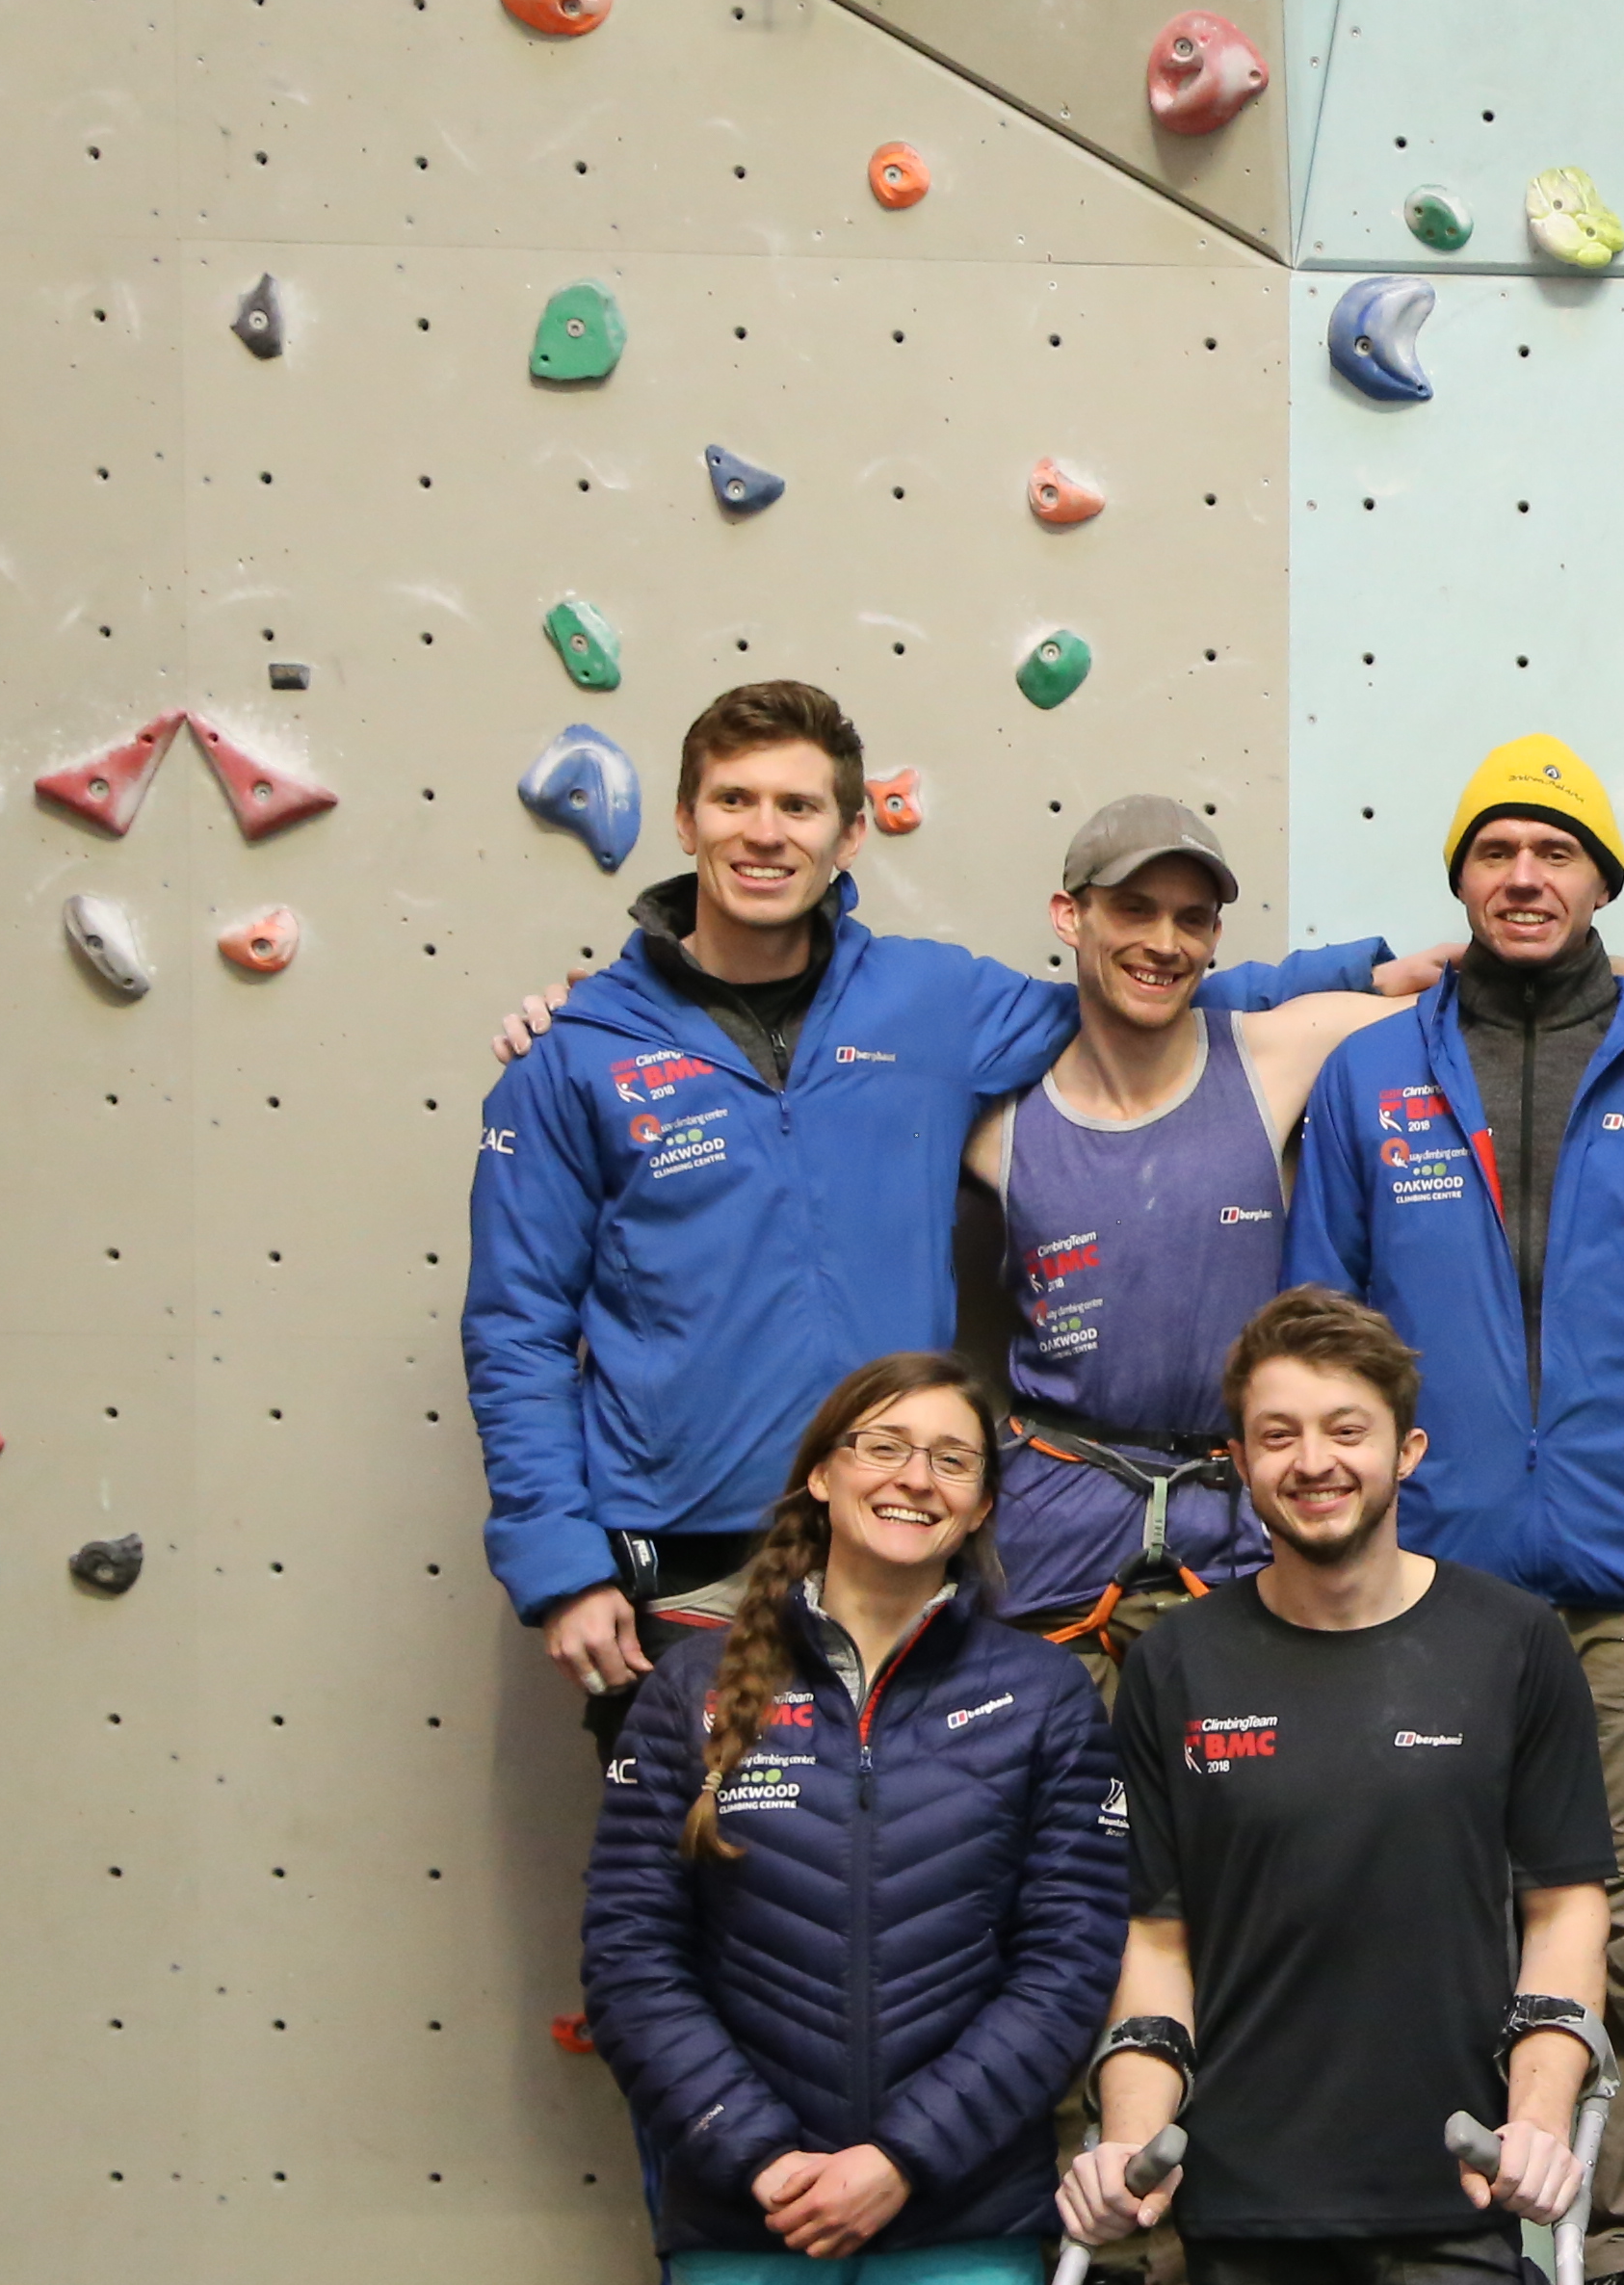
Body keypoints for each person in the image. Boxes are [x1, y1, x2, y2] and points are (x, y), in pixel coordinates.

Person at [469, 682, 1404, 1731]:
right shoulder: (579, 1054)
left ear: (851, 833)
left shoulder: (929, 1003)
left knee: (911, 1869)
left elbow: (1134, 994)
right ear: (685, 821)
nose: (765, 833)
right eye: (735, 801)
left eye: (800, 807)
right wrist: (560, 1565)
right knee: (687, 1874)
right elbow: (518, 1330)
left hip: (900, 1537)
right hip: (689, 1559)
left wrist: (1353, 971)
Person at [1286, 735, 1624, 2285]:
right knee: (1427, 1936)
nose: (1522, 874)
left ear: (1600, 884)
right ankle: (1447, 2262)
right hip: (1422, 1591)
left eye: (1553, 850)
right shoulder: (1371, 1076)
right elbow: (1316, 1339)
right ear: (1460, 877)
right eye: (1491, 847)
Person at [1058, 1290, 1621, 2285]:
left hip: (1450, 2172)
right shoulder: (1177, 1663)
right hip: (1257, 2196)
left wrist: (1538, 2115)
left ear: (1407, 1450)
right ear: (1239, 1464)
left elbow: (1567, 1908)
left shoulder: (1511, 1643)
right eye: (1279, 1434)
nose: (1316, 1460)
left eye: (1347, 1430)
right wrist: (1128, 2142)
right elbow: (1156, 1941)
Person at [578, 1353, 1130, 2285]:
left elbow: (1066, 1963)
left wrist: (906, 2156)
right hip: (750, 2204)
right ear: (823, 1476)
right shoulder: (686, 1692)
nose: (914, 1478)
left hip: (954, 2200)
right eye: (883, 1447)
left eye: (951, 1458)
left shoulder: (1042, 1697)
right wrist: (761, 2154)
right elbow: (628, 1958)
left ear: (986, 1505)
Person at [973, 798, 1428, 1676]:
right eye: (1135, 910)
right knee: (1057, 1798)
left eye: (1192, 919)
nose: (1165, 942)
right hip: (1052, 1530)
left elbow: (1499, 998)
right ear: (1071, 916)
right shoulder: (999, 1118)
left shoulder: (1272, 1054)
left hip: (1241, 1525)